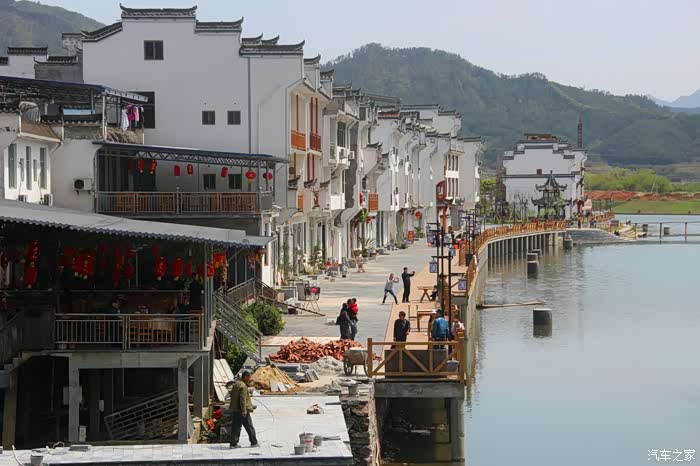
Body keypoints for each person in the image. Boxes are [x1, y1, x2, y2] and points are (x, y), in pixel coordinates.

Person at [229, 371, 258, 448]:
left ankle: (233, 444)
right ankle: (254, 442)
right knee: (249, 426)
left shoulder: (237, 384)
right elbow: (242, 399)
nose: (249, 379)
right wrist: (244, 410)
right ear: (245, 377)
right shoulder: (243, 386)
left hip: (236, 409)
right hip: (242, 411)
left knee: (235, 427)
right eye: (249, 378)